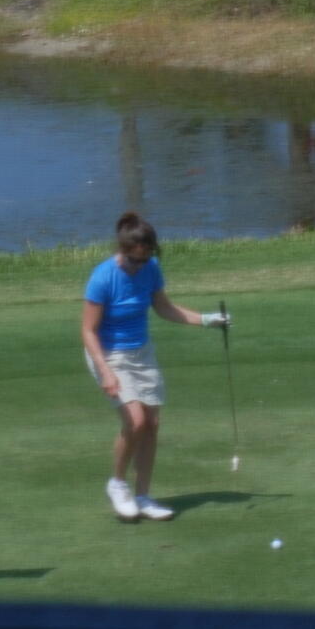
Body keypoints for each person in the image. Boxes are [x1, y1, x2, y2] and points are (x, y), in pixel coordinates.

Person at [80, 212, 227, 522]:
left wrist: (207, 320)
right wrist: (105, 371)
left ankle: (144, 496)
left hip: (142, 353)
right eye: (134, 261)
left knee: (152, 423)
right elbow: (88, 331)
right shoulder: (103, 277)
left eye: (145, 260)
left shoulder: (151, 269)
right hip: (109, 353)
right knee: (135, 421)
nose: (139, 267)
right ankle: (118, 484)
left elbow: (164, 307)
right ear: (122, 251)